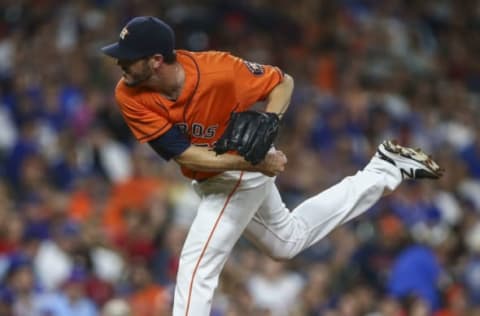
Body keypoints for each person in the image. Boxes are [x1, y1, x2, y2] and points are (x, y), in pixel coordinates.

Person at [101, 16, 443, 316]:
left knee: (196, 262)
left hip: (237, 175)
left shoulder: (218, 70)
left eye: (128, 59)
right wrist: (258, 160)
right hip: (223, 169)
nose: (121, 65)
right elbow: (186, 155)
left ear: (156, 60)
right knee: (287, 242)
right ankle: (385, 169)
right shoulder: (128, 94)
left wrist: (270, 121)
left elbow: (282, 82)